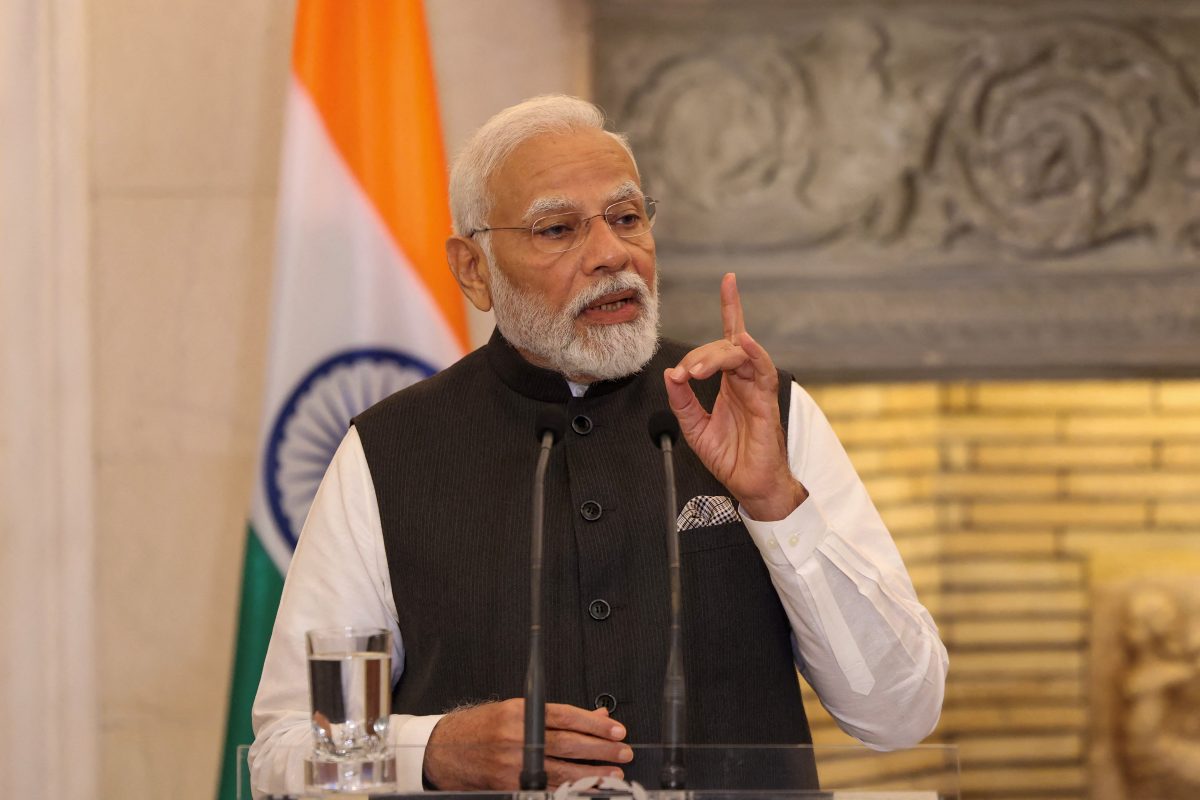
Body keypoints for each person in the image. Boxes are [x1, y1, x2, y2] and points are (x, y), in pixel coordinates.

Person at [249, 94, 947, 793]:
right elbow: (282, 752)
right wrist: (428, 749)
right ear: (473, 270)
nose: (612, 254)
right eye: (557, 229)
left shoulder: (762, 412)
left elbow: (899, 714)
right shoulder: (390, 451)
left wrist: (776, 502)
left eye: (626, 218)